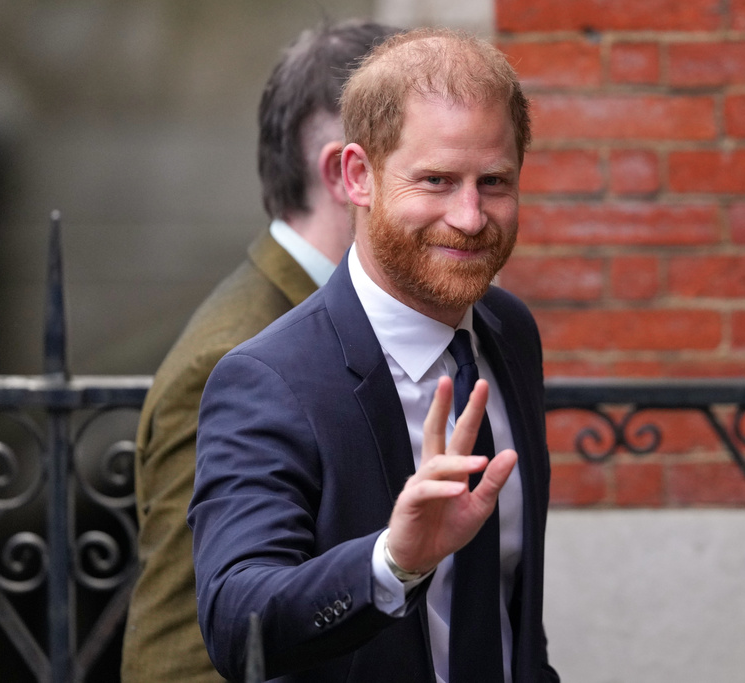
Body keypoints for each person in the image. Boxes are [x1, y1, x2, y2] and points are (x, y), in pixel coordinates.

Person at [190, 27, 559, 683]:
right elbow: (235, 616)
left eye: (494, 181)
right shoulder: (269, 378)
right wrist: (393, 561)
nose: (471, 217)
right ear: (358, 176)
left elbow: (510, 610)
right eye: (437, 180)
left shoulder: (510, 332)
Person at [121, 19, 401, 683]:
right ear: (347, 171)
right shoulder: (234, 358)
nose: (458, 208)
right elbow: (181, 655)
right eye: (422, 164)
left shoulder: (345, 322)